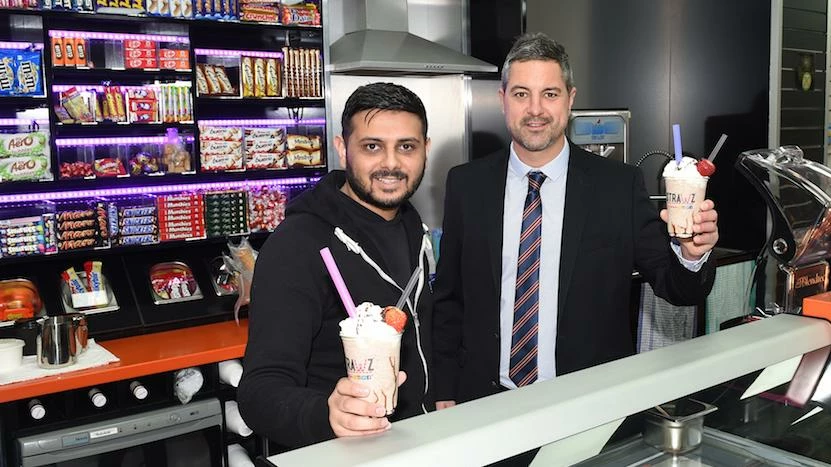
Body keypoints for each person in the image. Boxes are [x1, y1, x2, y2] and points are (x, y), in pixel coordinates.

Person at [433, 32, 719, 408]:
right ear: (503, 101)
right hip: (484, 403)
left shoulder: (617, 186)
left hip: (588, 406)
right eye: (521, 94)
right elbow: (449, 299)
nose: (535, 109)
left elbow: (678, 289)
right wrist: (444, 389)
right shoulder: (466, 185)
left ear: (570, 99)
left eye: (549, 94)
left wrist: (691, 253)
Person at [238, 82, 435, 450]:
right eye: (372, 146)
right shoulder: (298, 244)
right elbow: (258, 392)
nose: (391, 164)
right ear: (343, 149)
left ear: (426, 149)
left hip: (412, 444)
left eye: (406, 147)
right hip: (339, 453)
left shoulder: (412, 227)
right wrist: (326, 415)